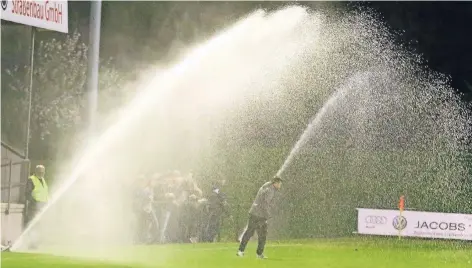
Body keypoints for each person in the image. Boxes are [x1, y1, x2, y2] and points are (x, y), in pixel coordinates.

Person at [237, 176, 282, 259]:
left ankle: (241, 251)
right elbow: (265, 203)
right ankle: (258, 254)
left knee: (250, 233)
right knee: (261, 234)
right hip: (259, 215)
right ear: (275, 183)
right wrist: (267, 215)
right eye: (279, 184)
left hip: (255, 213)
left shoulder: (266, 186)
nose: (280, 185)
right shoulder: (270, 190)